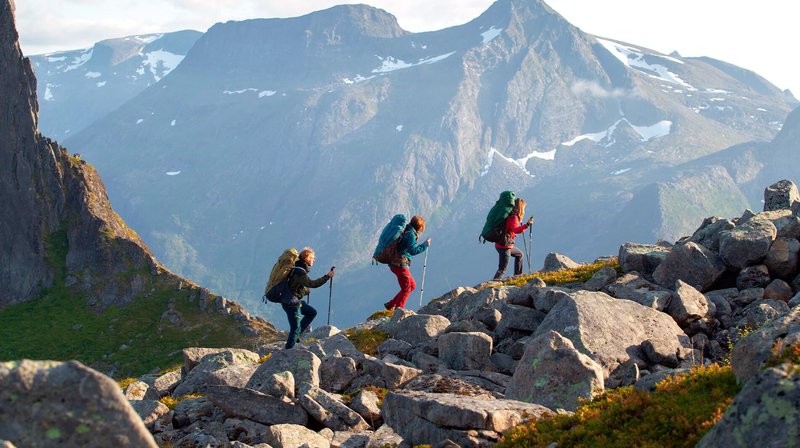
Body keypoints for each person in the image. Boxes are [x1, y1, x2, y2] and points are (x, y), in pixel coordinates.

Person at [284, 247, 334, 349]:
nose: (314, 260)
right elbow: (312, 284)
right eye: (312, 257)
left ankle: (295, 338)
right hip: (291, 304)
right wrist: (327, 277)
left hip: (293, 301)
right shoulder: (300, 272)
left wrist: (305, 291)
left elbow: (294, 286)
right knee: (295, 328)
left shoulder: (296, 269)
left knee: (311, 312)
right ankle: (287, 351)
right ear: (306, 258)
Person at [384, 215, 430, 310]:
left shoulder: (405, 230)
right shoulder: (410, 235)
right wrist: (425, 245)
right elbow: (413, 250)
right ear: (420, 227)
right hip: (400, 264)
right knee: (406, 288)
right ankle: (399, 310)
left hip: (394, 264)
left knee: (412, 285)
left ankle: (391, 304)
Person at [493, 198, 533, 280]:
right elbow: (516, 230)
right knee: (502, 268)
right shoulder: (513, 217)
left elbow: (514, 229)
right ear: (521, 207)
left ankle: (517, 277)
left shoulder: (510, 215)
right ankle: (492, 285)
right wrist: (527, 225)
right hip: (504, 246)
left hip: (502, 244)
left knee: (519, 255)